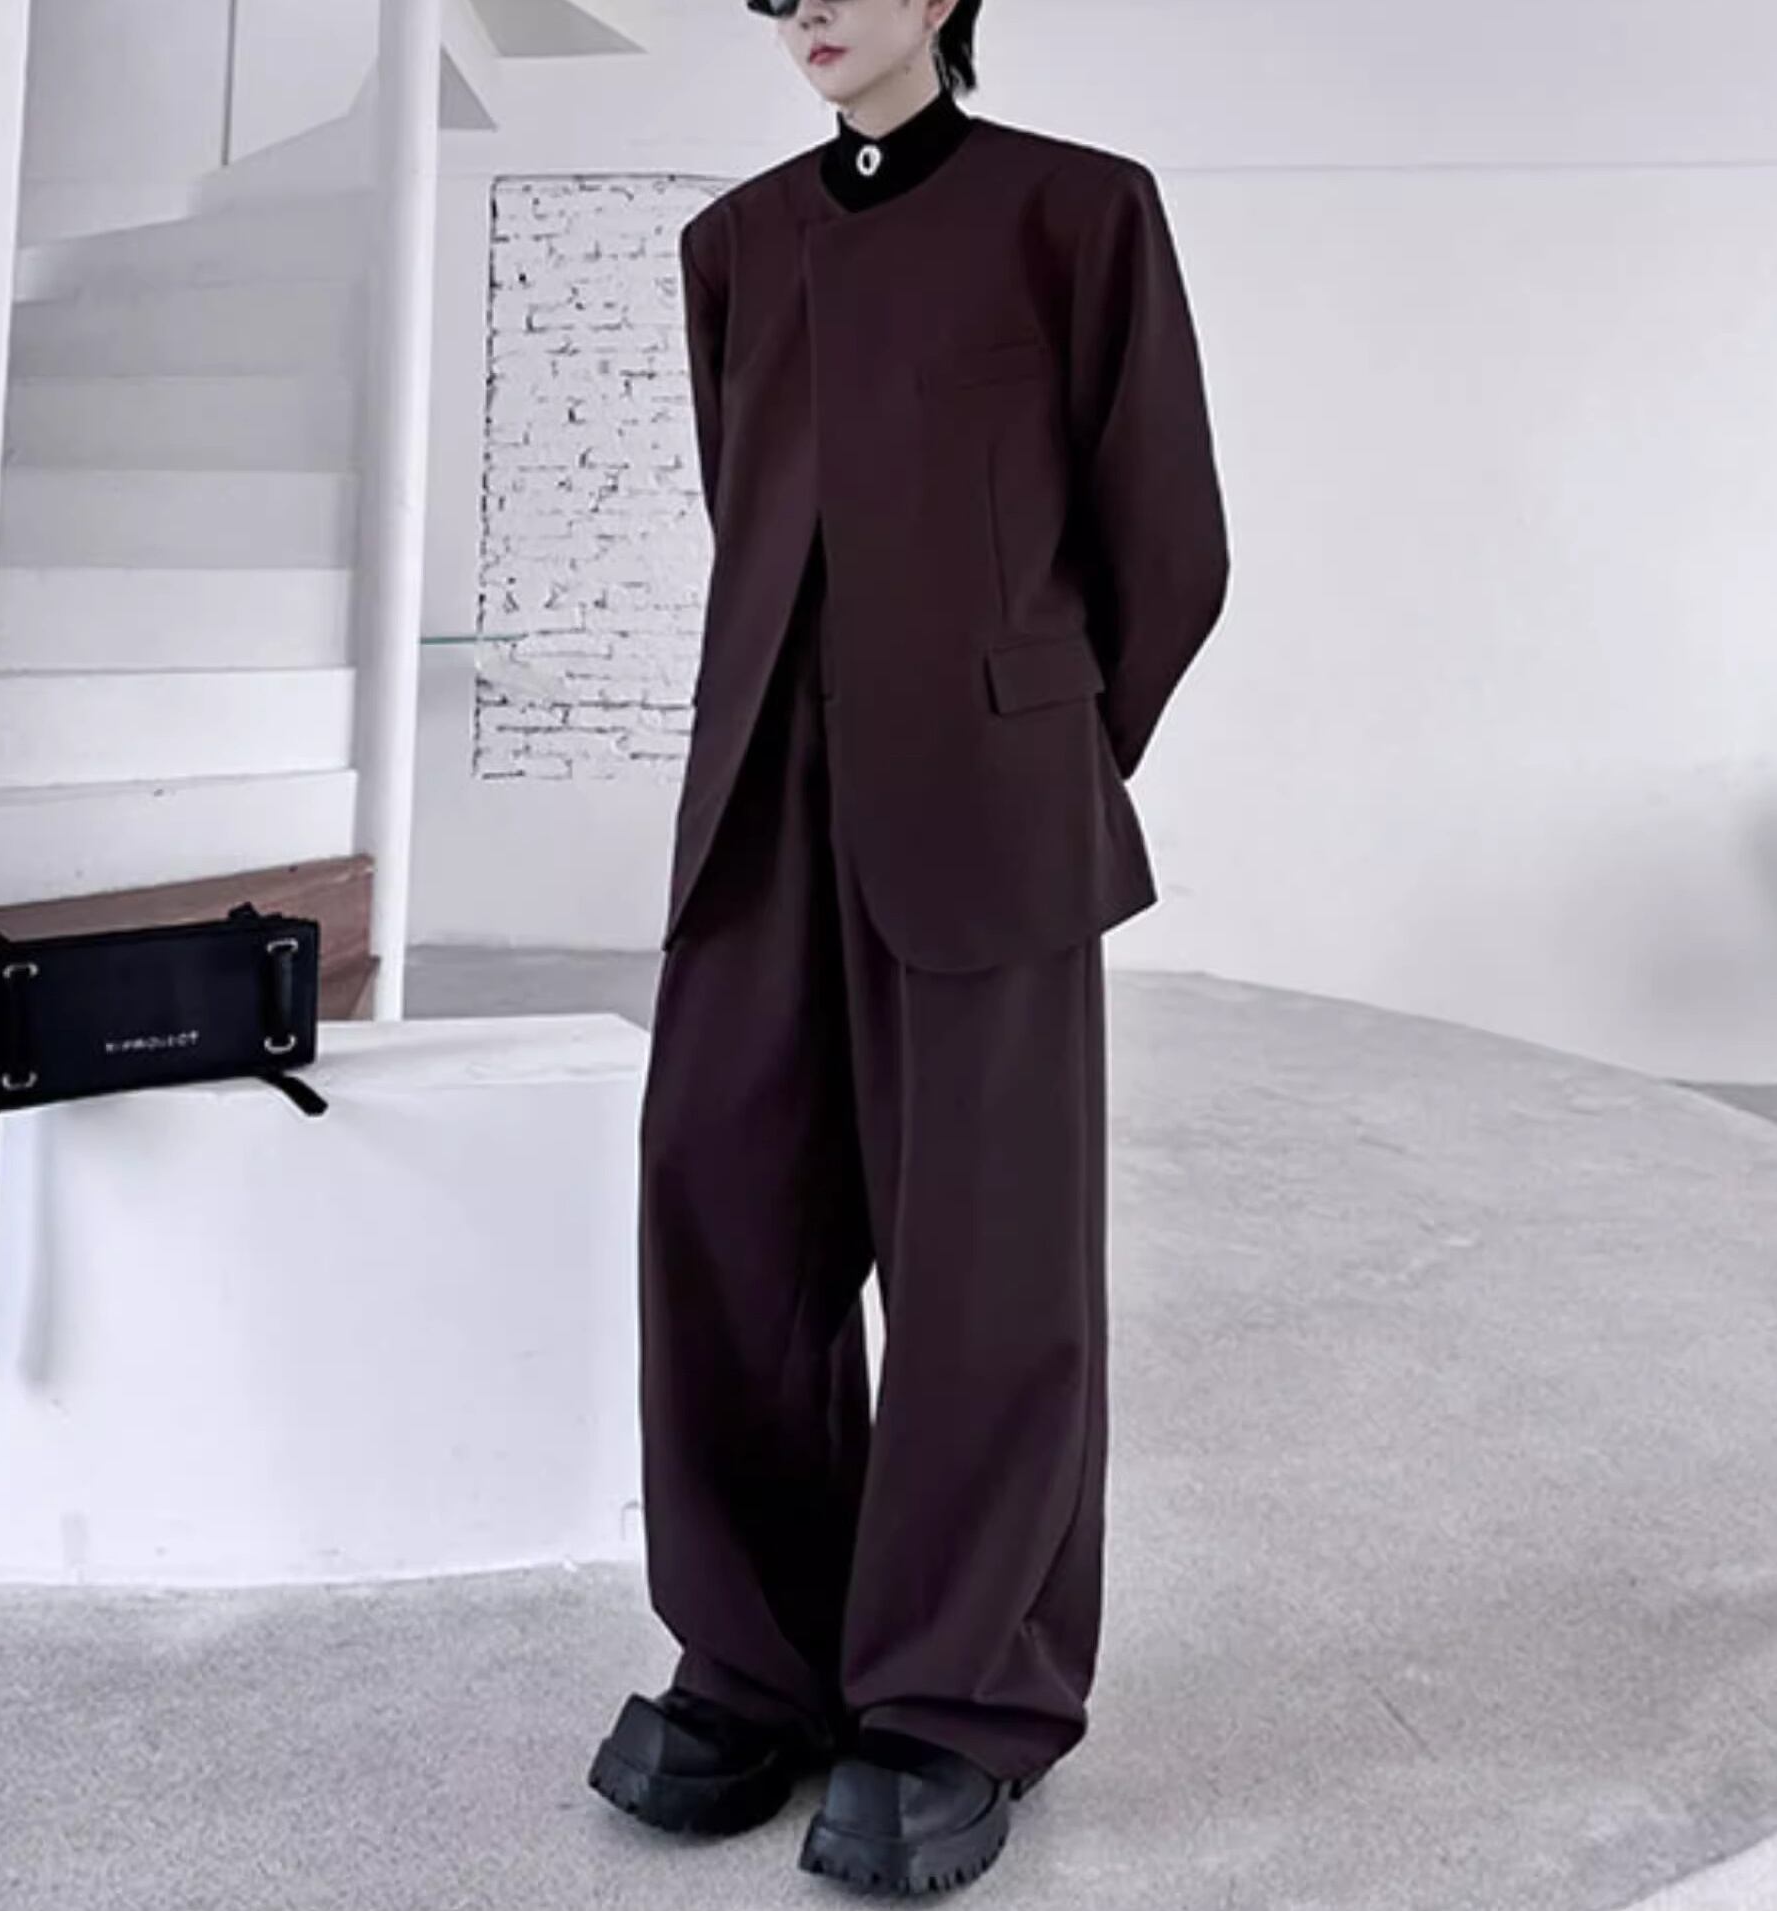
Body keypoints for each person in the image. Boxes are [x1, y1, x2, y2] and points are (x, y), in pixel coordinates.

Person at [588, 0, 1230, 1894]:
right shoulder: (735, 246)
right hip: (759, 811)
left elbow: (1167, 541)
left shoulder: (1079, 212)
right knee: (725, 1222)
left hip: (988, 804)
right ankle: (754, 1664)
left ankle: (958, 1700)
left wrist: (1041, 749)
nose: (805, 9)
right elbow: (752, 513)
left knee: (986, 1268)